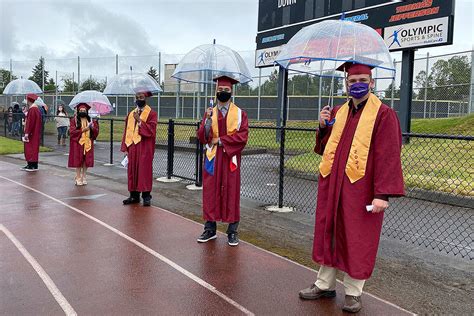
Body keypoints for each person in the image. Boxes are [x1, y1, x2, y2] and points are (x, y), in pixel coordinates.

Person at [298, 62, 405, 313]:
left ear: (372, 82)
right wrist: (324, 126)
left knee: (358, 237)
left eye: (362, 80)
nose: (357, 84)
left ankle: (354, 292)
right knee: (330, 232)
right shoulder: (338, 111)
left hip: (362, 189)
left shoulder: (383, 114)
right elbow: (326, 149)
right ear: (346, 84)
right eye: (352, 80)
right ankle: (324, 284)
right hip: (334, 186)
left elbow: (389, 155)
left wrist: (381, 194)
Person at [196, 75, 249, 246]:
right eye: (220, 90)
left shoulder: (240, 114)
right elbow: (202, 137)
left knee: (231, 191)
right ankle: (210, 229)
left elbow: (242, 136)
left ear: (231, 92)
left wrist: (220, 140)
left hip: (229, 158)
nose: (223, 93)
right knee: (211, 191)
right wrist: (206, 124)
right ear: (216, 92)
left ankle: (232, 231)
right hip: (212, 158)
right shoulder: (210, 112)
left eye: (226, 90)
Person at [121, 90, 157, 207]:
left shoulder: (151, 113)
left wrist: (139, 121)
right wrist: (125, 147)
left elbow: (151, 130)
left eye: (141, 97)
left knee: (144, 171)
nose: (138, 99)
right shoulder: (131, 113)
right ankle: (134, 196)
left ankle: (146, 196)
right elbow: (127, 130)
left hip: (144, 147)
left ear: (145, 98)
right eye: (137, 97)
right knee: (132, 171)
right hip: (132, 147)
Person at [68, 103, 99, 185]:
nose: (82, 112)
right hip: (78, 143)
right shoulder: (74, 120)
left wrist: (93, 127)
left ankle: (84, 176)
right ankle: (78, 177)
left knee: (86, 161)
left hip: (88, 143)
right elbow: (72, 132)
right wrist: (83, 130)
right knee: (78, 161)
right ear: (78, 111)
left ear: (87, 111)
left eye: (84, 110)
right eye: (81, 110)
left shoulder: (90, 120)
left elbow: (96, 132)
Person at [22, 93, 42, 171]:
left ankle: (32, 165)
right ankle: (31, 164)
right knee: (32, 148)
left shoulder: (33, 109)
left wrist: (27, 132)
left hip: (32, 133)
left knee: (31, 149)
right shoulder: (34, 109)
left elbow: (30, 122)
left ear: (28, 100)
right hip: (34, 132)